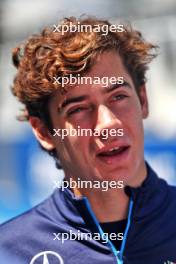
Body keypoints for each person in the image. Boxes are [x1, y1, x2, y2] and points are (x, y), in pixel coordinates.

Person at [0, 16, 176, 264]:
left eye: (118, 97)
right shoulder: (9, 251)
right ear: (44, 132)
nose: (108, 124)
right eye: (78, 109)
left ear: (143, 100)